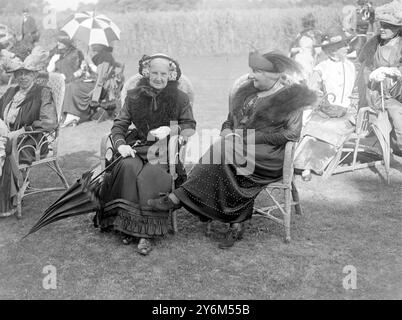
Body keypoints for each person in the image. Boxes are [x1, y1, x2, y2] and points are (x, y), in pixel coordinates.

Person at [147, 51, 316, 249]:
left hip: (269, 156)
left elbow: (291, 135)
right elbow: (228, 121)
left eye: (257, 71)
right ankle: (236, 224)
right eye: (252, 71)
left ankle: (178, 198)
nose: (251, 76)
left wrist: (249, 138)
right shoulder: (246, 94)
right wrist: (227, 131)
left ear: (275, 75)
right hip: (235, 150)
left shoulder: (290, 100)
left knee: (223, 151)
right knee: (225, 152)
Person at [93, 54, 196, 255]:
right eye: (155, 73)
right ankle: (128, 226)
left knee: (151, 175)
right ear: (147, 72)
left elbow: (189, 127)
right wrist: (121, 145)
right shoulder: (133, 96)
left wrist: (170, 130)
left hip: (164, 149)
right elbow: (119, 125)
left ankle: (145, 233)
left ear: (171, 74)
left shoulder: (180, 98)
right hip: (137, 146)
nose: (159, 78)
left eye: (163, 74)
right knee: (127, 167)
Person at [294, 29, 356, 180]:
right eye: (344, 45)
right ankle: (303, 166)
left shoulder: (350, 66)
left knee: (329, 128)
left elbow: (355, 92)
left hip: (346, 114)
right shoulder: (322, 67)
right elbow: (310, 88)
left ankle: (311, 165)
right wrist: (317, 93)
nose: (348, 48)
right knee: (312, 127)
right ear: (333, 50)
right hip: (328, 111)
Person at [0, 53, 57, 217]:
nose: (23, 77)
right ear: (15, 76)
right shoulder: (11, 92)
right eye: (19, 73)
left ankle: (5, 202)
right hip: (7, 137)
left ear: (34, 74)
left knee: (4, 148)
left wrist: (24, 130)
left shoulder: (42, 92)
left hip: (29, 141)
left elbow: (50, 122)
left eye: (27, 73)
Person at [357, 0, 402, 156]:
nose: (382, 29)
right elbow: (365, 70)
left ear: (398, 28)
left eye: (388, 26)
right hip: (379, 93)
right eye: (381, 25)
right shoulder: (373, 45)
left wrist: (394, 71)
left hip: (399, 91)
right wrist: (373, 75)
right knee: (396, 113)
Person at [61, 44, 116, 127]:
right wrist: (85, 69)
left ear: (102, 45)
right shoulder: (98, 56)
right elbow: (92, 73)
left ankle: (75, 115)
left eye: (95, 44)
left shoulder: (106, 57)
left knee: (73, 87)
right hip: (94, 82)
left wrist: (90, 62)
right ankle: (70, 115)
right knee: (70, 85)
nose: (92, 46)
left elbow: (101, 75)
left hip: (101, 86)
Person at [289, 13, 323, 79]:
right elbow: (318, 51)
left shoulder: (300, 34)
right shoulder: (316, 33)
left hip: (302, 60)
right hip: (306, 60)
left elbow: (291, 50)